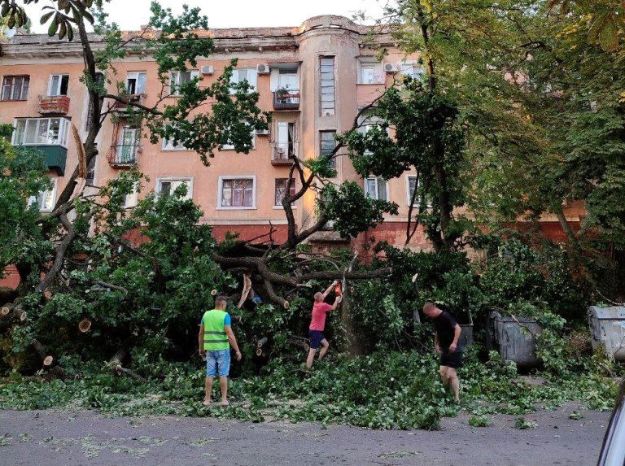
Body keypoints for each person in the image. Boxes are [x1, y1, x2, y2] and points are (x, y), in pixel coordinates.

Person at [198, 295, 242, 406]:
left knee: (210, 374)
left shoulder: (206, 314)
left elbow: (201, 333)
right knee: (223, 374)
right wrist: (237, 350)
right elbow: (230, 334)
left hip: (210, 349)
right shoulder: (225, 316)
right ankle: (223, 400)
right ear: (222, 304)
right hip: (222, 349)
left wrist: (201, 348)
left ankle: (207, 400)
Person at [422, 301, 462, 402]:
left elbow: (458, 328)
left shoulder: (445, 316)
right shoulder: (435, 319)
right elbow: (437, 332)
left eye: (428, 314)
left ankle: (457, 399)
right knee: (443, 373)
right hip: (445, 349)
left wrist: (454, 343)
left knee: (451, 374)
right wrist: (436, 344)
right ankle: (447, 395)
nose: (428, 316)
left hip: (454, 349)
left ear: (432, 310)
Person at [306, 280, 342, 370]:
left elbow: (326, 292)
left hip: (315, 330)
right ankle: (307, 371)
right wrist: (337, 300)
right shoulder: (322, 306)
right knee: (312, 352)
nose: (323, 295)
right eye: (322, 296)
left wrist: (333, 285)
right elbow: (333, 307)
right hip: (315, 332)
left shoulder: (316, 303)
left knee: (326, 345)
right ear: (320, 299)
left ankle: (319, 360)